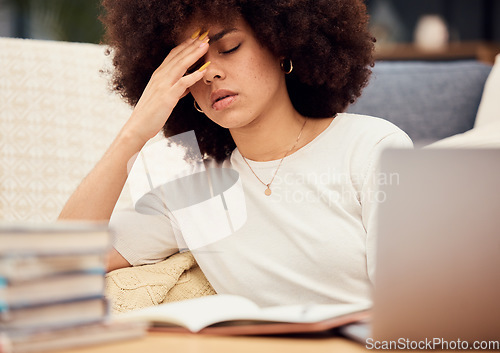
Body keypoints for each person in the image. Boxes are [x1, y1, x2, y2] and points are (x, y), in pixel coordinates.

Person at [59, 0, 412, 307]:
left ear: (281, 45)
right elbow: (56, 266)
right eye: (191, 66)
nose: (210, 73)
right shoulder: (191, 189)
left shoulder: (373, 148)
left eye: (228, 47)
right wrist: (133, 133)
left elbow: (416, 309)